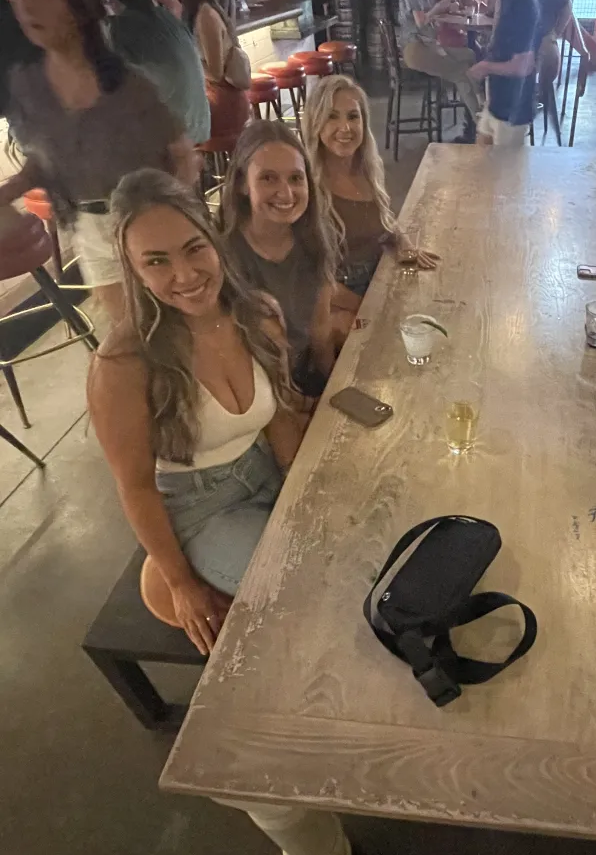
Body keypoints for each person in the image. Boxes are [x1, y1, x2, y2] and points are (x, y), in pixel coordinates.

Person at [91, 165, 349, 855]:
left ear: (213, 235)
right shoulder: (123, 365)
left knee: (351, 550)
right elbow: (136, 488)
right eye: (156, 261)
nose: (184, 274)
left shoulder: (256, 311)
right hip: (200, 509)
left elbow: (278, 418)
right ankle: (296, 769)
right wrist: (181, 580)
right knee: (300, 598)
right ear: (133, 269)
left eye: (192, 248)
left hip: (263, 472)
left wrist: (311, 492)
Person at [0, 0, 196, 323]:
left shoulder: (127, 83)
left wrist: (176, 220)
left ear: (75, 6)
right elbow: (48, 159)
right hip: (88, 227)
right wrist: (12, 189)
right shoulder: (27, 84)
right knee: (130, 338)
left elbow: (181, 154)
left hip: (146, 220)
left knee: (174, 327)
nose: (26, 8)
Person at [302, 75, 439, 325]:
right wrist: (372, 308)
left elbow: (385, 221)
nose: (345, 128)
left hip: (379, 277)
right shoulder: (307, 187)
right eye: (332, 116)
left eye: (353, 116)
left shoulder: (366, 168)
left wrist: (405, 244)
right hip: (340, 300)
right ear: (315, 123)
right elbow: (313, 281)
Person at [220, 121, 337, 397]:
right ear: (241, 184)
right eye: (268, 178)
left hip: (302, 373)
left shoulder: (316, 237)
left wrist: (334, 391)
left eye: (296, 178)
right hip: (254, 389)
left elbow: (320, 331)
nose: (285, 193)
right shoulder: (223, 255)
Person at [102, 0, 211, 145]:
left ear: (111, 1)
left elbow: (114, 83)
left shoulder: (121, 27)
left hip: (177, 136)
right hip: (202, 123)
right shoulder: (166, 15)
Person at [161, 0, 250, 141]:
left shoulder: (205, 15)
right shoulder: (192, 12)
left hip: (226, 101)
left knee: (172, 125)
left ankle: (201, 167)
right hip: (214, 97)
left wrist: (187, 62)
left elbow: (216, 74)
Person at [398, 0, 482, 142]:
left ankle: (478, 113)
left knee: (470, 55)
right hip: (415, 48)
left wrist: (449, 1)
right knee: (461, 73)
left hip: (427, 43)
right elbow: (421, 21)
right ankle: (480, 126)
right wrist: (439, 7)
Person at [468, 0, 539, 147]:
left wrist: (486, 66)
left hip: (512, 107)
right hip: (497, 101)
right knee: (481, 162)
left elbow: (523, 65)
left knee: (505, 174)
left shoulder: (523, 2)